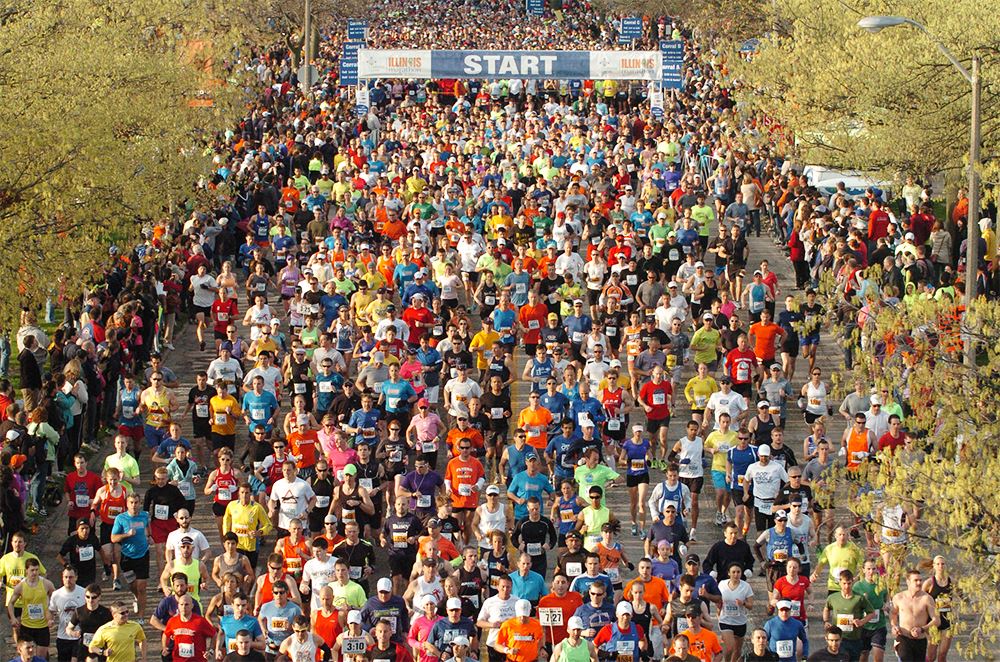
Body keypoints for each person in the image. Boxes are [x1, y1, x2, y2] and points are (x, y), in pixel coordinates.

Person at [822, 570, 876, 662]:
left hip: (854, 639)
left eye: (849, 583)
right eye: (844, 583)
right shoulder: (833, 598)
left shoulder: (859, 598)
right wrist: (826, 621)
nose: (846, 586)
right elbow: (827, 608)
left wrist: (862, 621)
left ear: (852, 582)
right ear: (839, 583)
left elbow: (872, 613)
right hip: (838, 640)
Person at [6, 557, 55, 657]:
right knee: (27, 656)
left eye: (37, 570)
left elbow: (56, 598)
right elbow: (10, 603)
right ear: (26, 571)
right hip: (27, 626)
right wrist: (13, 618)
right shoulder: (20, 586)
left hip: (43, 626)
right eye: (32, 570)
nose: (34, 573)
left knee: (41, 657)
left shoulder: (46, 584)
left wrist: (51, 615)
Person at [891, 569, 939, 662]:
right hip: (903, 638)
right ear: (908, 582)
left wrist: (922, 629)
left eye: (920, 580)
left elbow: (936, 620)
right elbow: (893, 614)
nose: (919, 583)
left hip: (920, 640)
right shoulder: (898, 597)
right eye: (916, 580)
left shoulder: (927, 599)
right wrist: (894, 626)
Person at [49, 564, 87, 662]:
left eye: (71, 577)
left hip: (79, 636)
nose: (68, 579)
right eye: (65, 577)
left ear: (76, 578)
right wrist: (50, 620)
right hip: (63, 636)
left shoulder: (84, 593)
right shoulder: (56, 594)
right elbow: (51, 611)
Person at [162, 594, 216, 662]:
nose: (184, 607)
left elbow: (214, 634)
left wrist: (211, 651)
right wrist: (164, 647)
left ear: (192, 606)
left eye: (186, 604)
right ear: (178, 606)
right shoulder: (172, 621)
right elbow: (165, 634)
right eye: (181, 604)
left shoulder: (200, 621)